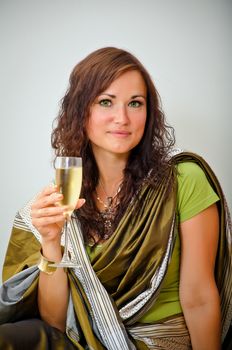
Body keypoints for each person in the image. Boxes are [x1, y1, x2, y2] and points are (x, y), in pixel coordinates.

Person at [0, 47, 231, 350]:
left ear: (148, 114)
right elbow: (55, 325)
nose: (122, 118)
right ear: (81, 111)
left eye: (135, 103)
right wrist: (51, 243)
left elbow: (199, 298)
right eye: (106, 102)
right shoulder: (66, 197)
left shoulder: (183, 180)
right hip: (88, 342)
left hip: (159, 342)